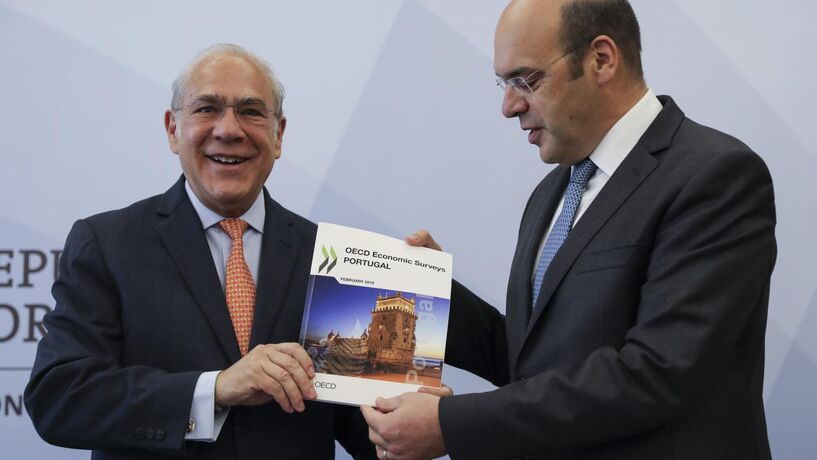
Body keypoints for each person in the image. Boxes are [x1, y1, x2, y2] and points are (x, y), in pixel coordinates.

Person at [361, 1, 776, 459]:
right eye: (503, 83)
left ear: (602, 59)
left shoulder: (714, 175)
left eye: (526, 80)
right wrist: (436, 298)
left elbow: (657, 372)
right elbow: (534, 363)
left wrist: (450, 425)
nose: (509, 106)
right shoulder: (551, 193)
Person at [25, 44, 376, 460]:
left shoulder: (329, 258)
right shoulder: (106, 243)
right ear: (173, 129)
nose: (229, 129)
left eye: (250, 111)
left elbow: (373, 435)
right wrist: (214, 389)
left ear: (278, 134)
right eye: (207, 109)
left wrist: (427, 321)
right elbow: (59, 398)